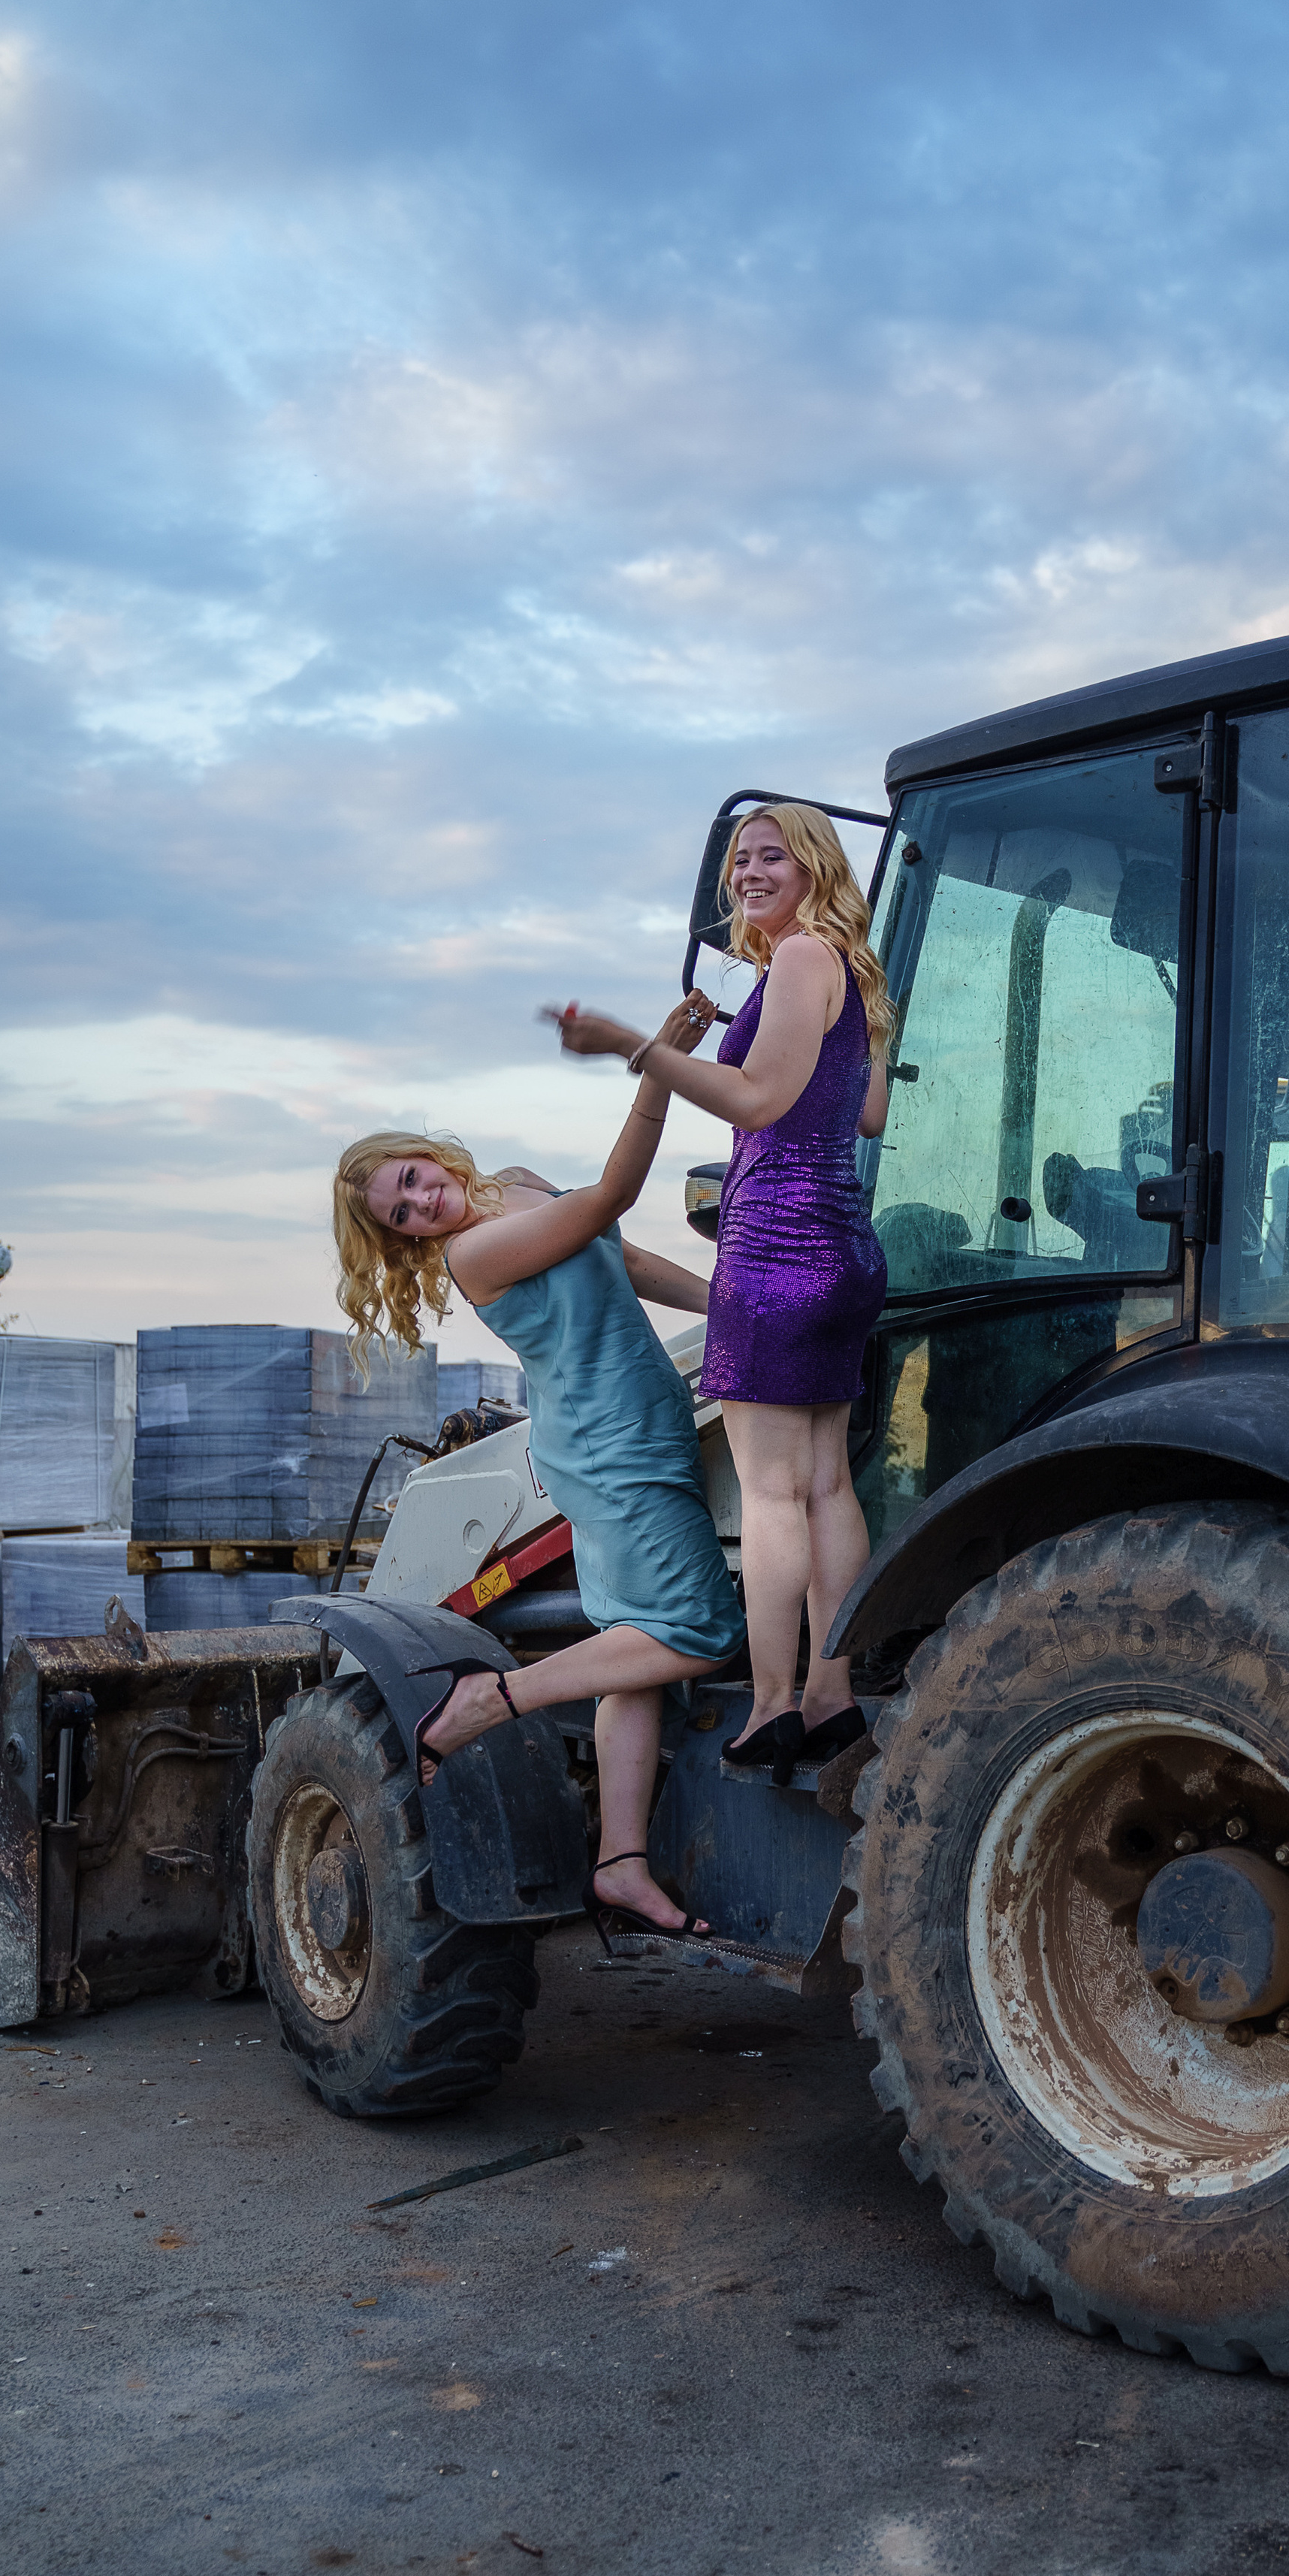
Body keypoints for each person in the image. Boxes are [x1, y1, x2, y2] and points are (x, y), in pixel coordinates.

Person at [331, 995, 744, 1947]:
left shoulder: (514, 1185)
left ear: (426, 1153)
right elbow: (607, 1201)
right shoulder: (476, 1253)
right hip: (611, 1448)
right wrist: (653, 1070)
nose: (419, 1203)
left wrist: (729, 1301)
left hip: (625, 1430)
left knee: (632, 1660)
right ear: (405, 1237)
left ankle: (621, 1864)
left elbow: (622, 1253)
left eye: (411, 1180)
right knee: (696, 1630)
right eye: (401, 1214)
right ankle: (493, 1698)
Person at [553, 804, 892, 1786]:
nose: (748, 872)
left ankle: (772, 1705)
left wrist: (631, 1045)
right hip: (842, 1251)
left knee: (773, 1493)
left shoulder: (798, 961)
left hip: (775, 1251)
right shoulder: (847, 969)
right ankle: (833, 1694)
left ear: (812, 864)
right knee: (828, 1483)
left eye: (770, 855)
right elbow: (864, 1110)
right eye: (739, 859)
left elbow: (754, 1104)